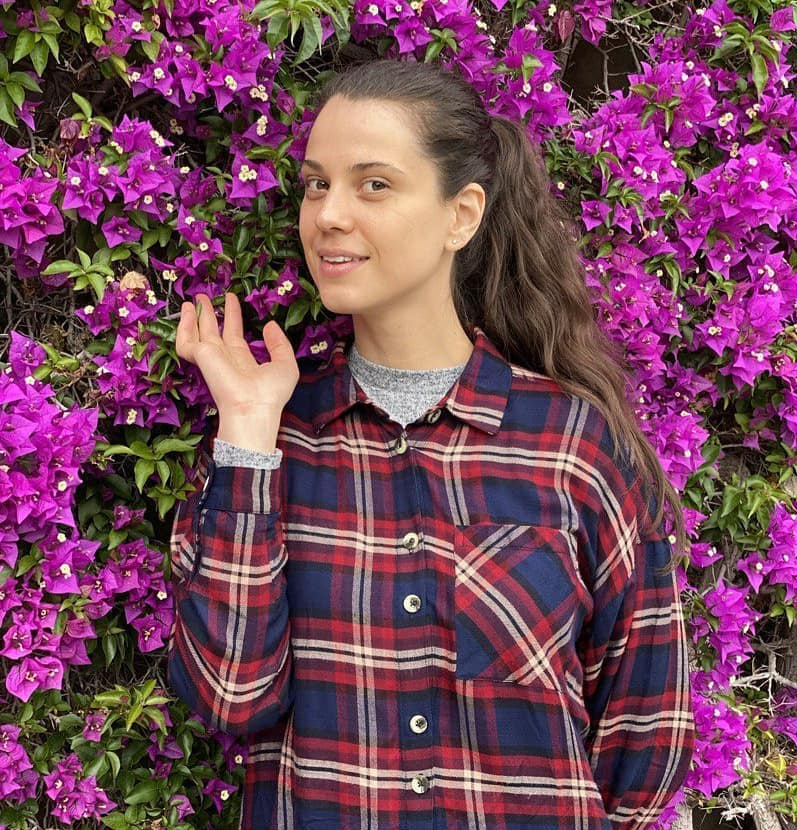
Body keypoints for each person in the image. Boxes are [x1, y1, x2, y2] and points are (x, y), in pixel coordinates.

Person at [168, 59, 695, 830]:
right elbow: (230, 698)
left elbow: (643, 730)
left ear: (462, 214)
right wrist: (247, 437)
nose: (329, 215)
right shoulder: (273, 447)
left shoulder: (573, 445)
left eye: (372, 184)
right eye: (317, 184)